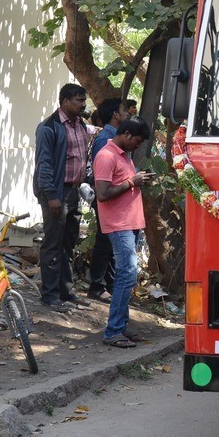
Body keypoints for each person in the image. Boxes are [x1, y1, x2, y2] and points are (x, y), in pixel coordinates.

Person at [93, 115, 154, 348]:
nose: (137, 146)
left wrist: (136, 180)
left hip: (130, 223)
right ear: (126, 134)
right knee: (126, 274)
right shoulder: (106, 156)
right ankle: (113, 330)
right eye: (136, 141)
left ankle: (121, 326)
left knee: (128, 276)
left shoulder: (124, 156)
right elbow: (102, 194)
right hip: (119, 225)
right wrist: (131, 182)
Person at [33, 83, 91, 312]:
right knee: (53, 243)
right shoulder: (49, 128)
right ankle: (49, 294)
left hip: (74, 191)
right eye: (79, 100)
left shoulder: (81, 125)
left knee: (69, 242)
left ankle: (66, 291)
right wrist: (51, 196)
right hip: (56, 193)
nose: (83, 104)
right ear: (65, 101)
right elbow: (44, 165)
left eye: (83, 100)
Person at [85, 97, 135, 298]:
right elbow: (102, 175)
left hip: (118, 198)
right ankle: (97, 286)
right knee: (104, 241)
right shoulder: (104, 139)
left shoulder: (116, 136)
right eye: (124, 111)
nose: (127, 114)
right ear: (116, 115)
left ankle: (110, 284)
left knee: (112, 243)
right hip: (107, 198)